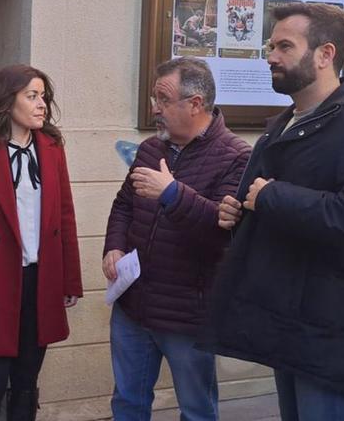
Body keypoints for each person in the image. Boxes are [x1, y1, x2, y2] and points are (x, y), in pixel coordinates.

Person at [212, 3, 344, 420]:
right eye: (270, 45)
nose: (270, 56)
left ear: (325, 54)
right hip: (292, 322)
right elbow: (279, 203)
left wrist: (271, 197)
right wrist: (242, 211)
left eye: (284, 45)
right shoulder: (285, 124)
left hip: (331, 329)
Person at [103, 57, 251, 421]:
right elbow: (124, 204)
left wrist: (171, 193)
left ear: (196, 104)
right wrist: (114, 246)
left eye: (163, 99)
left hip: (188, 315)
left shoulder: (237, 157)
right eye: (155, 99)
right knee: (127, 403)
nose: (155, 109)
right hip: (133, 305)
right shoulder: (152, 149)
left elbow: (221, 233)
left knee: (197, 410)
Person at [0, 65, 83, 421]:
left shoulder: (52, 149)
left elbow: (65, 218)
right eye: (32, 96)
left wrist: (70, 281)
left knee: (26, 383)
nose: (42, 105)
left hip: (41, 282)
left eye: (44, 97)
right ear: (7, 102)